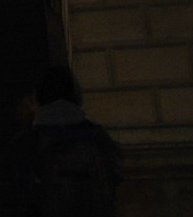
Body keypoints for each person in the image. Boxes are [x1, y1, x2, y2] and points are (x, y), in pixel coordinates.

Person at [17, 65, 122, 217]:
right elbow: (112, 187)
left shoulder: (27, 142)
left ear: (38, 98)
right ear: (76, 97)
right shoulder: (99, 138)